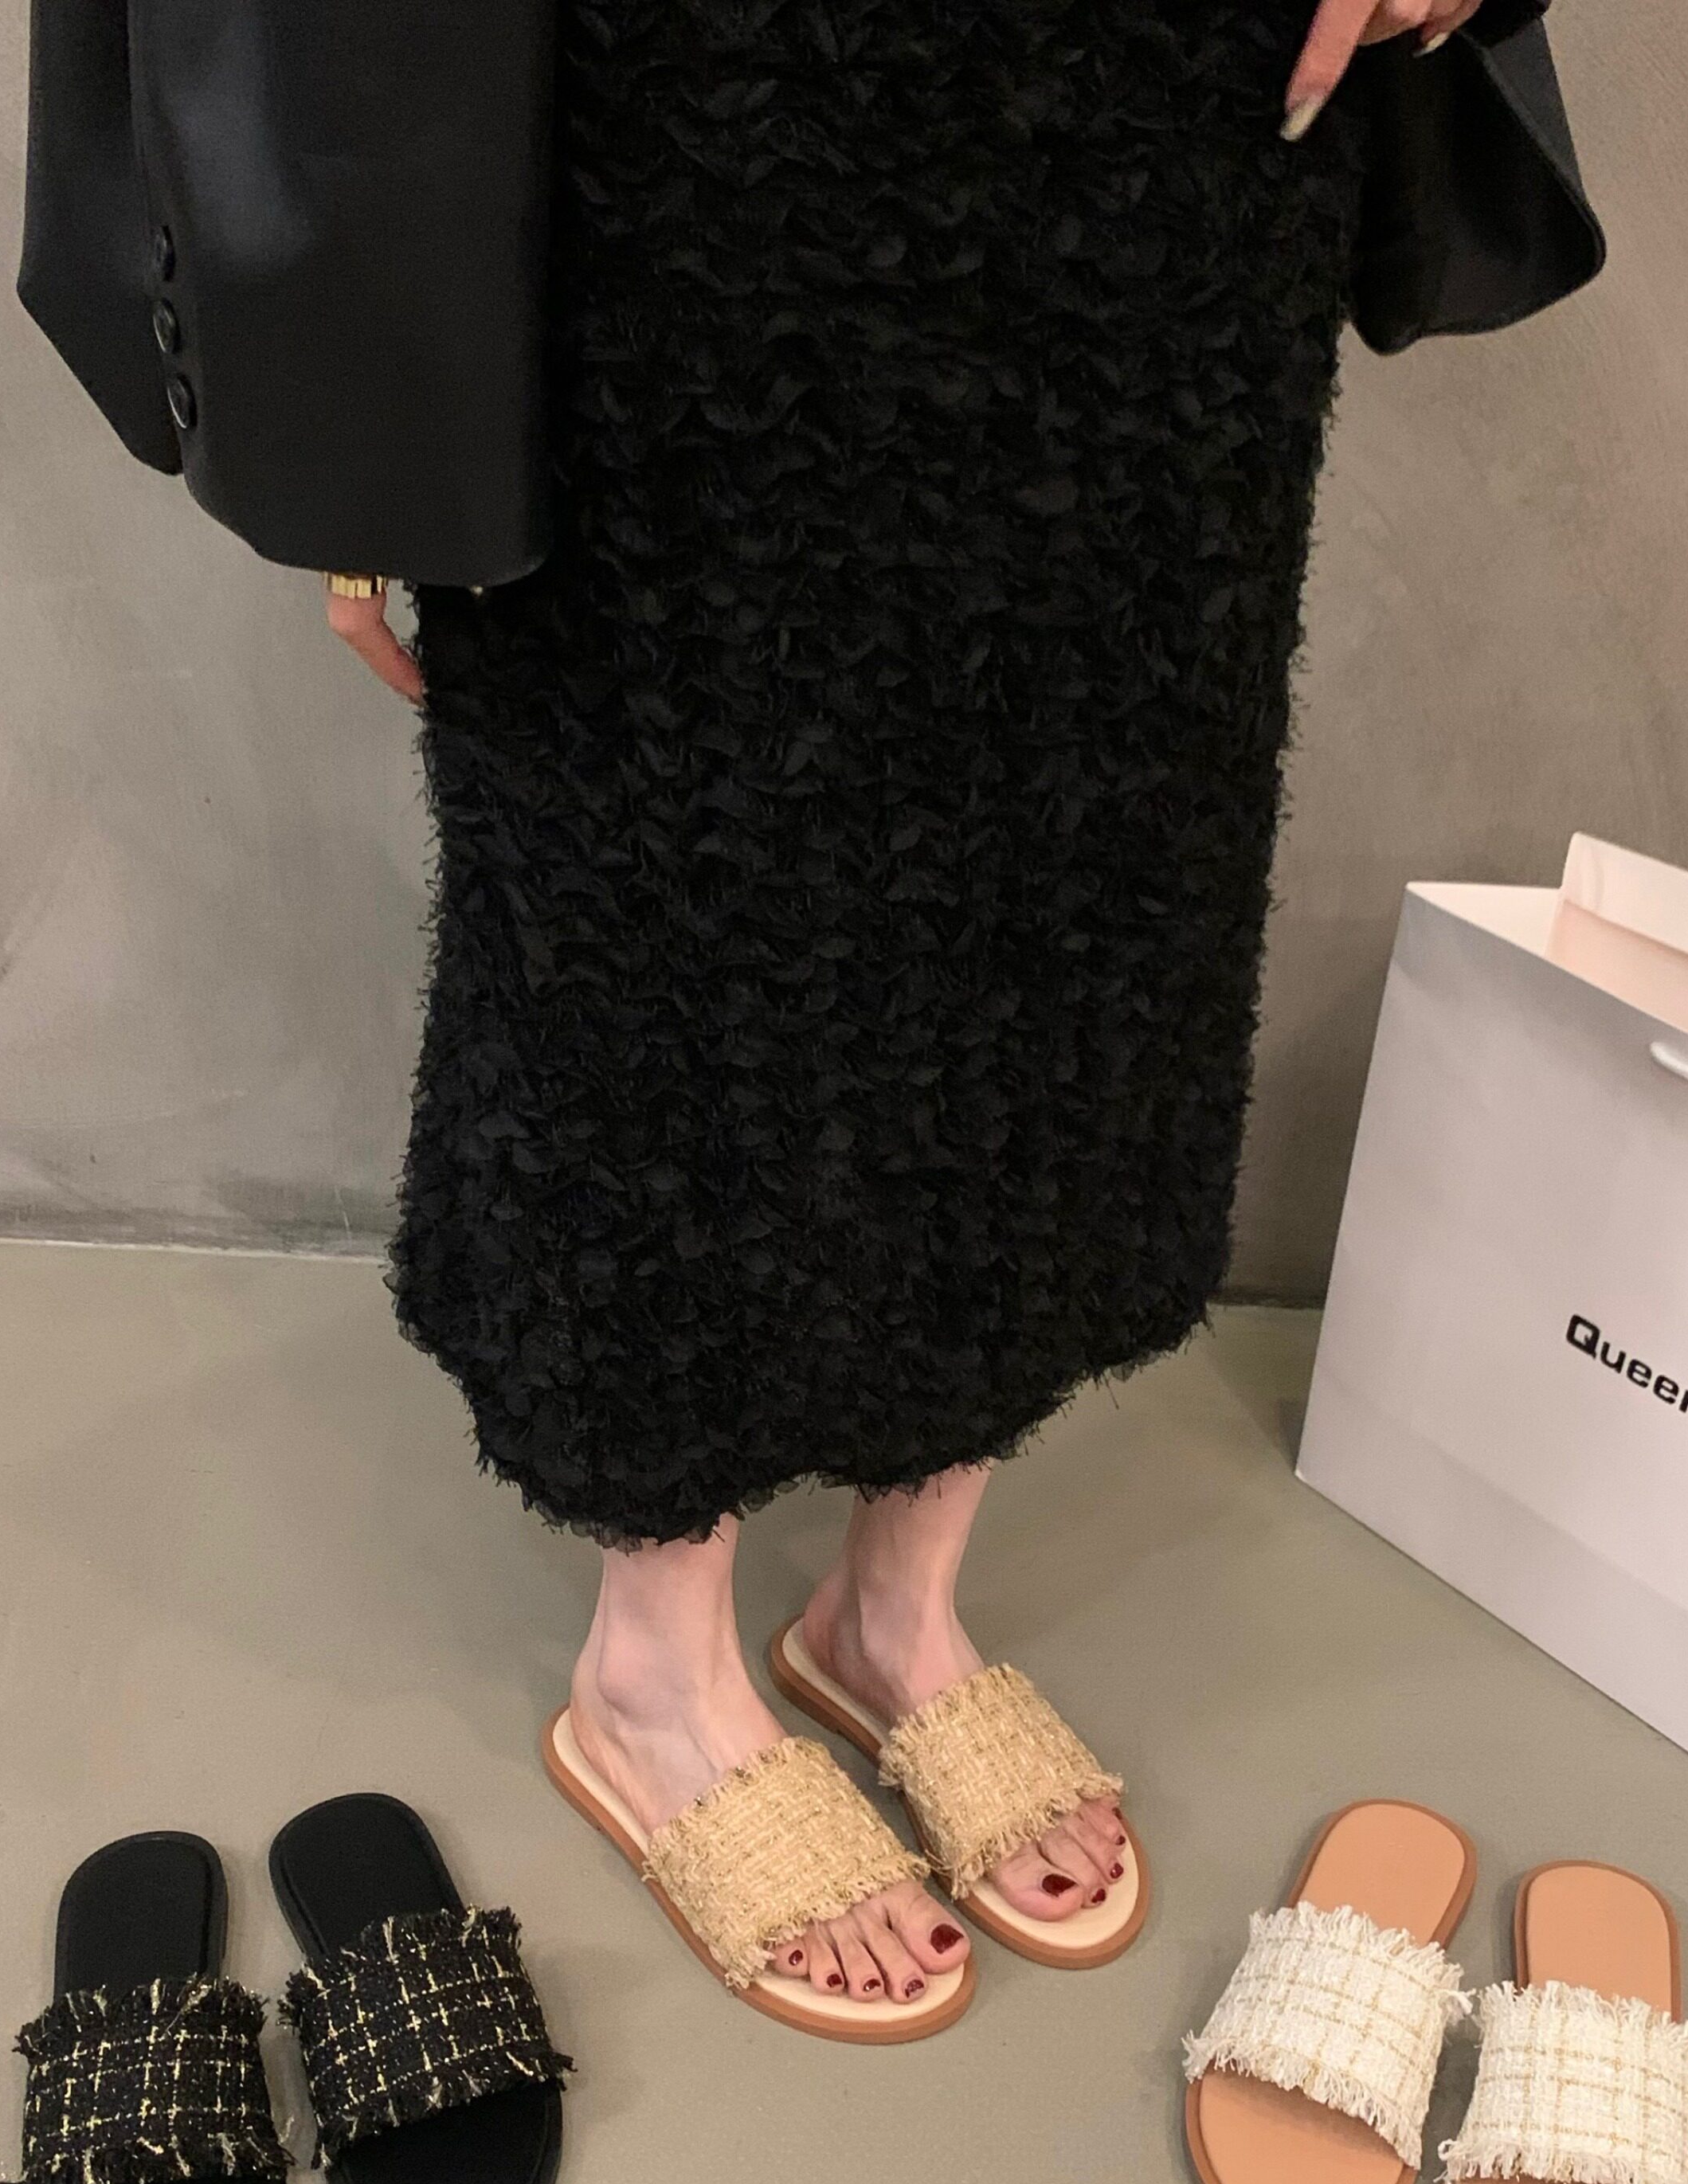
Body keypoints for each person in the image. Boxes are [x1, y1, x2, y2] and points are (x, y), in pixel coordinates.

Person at [319, 0, 1489, 2025]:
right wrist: (338, 371)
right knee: (673, 856)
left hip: (1173, 113)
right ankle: (653, 1665)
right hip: (672, 97)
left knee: (1084, 834)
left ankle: (896, 1605)